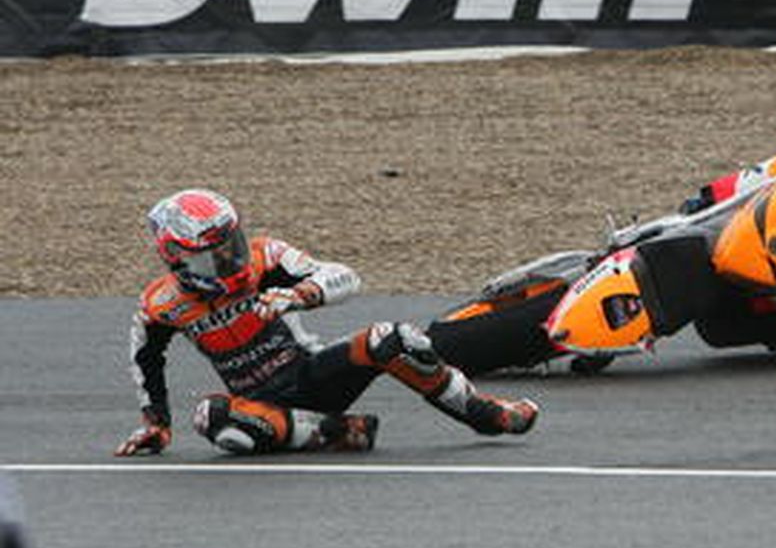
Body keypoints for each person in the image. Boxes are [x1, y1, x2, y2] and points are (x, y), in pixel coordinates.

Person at [115, 189, 537, 457]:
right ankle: (338, 433)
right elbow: (145, 362)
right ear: (177, 258)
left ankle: (486, 414)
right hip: (262, 406)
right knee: (213, 419)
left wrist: (300, 295)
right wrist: (156, 425)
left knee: (394, 339)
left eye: (233, 246)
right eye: (215, 256)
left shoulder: (267, 257)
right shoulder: (161, 305)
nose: (232, 260)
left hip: (312, 375)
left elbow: (345, 275)